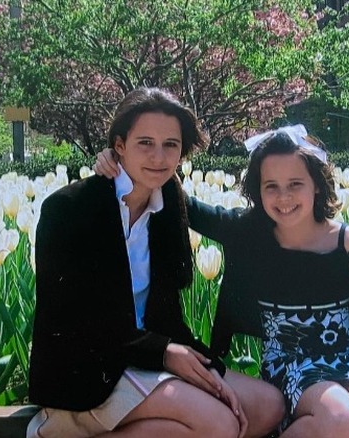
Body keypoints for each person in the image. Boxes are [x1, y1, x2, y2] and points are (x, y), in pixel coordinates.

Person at [94, 125, 349, 437]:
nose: (284, 197)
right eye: (271, 187)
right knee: (342, 417)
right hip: (290, 363)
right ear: (257, 190)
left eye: (295, 184)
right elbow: (188, 207)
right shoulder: (248, 234)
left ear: (316, 184)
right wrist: (121, 162)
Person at [27, 87, 284, 438]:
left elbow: (167, 313)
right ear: (119, 145)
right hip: (90, 371)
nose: (158, 157)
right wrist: (163, 353)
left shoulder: (168, 204)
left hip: (149, 360)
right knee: (219, 424)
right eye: (145, 143)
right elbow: (74, 321)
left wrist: (199, 363)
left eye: (170, 145)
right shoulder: (71, 209)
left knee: (268, 406)